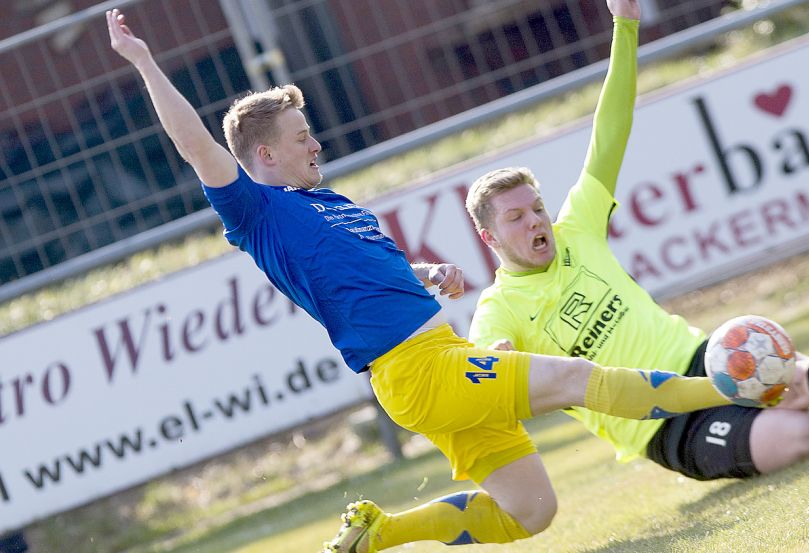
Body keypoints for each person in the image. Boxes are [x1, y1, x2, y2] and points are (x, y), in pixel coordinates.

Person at [107, 4, 764, 552]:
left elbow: (369, 273)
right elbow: (197, 145)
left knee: (530, 511)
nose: (317, 144)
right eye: (302, 136)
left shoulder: (330, 206)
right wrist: (143, 61)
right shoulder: (258, 212)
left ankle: (381, 530)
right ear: (266, 155)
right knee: (570, 377)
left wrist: (422, 272)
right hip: (417, 370)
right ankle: (729, 385)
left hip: (440, 360)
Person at [464, 0, 809, 482]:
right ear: (490, 237)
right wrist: (500, 369)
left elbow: (610, 129)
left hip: (706, 360)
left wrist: (626, 27)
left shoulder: (578, 227)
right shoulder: (499, 310)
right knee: (803, 438)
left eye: (536, 208)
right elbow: (482, 376)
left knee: (778, 365)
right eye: (517, 217)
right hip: (662, 426)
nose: (536, 221)